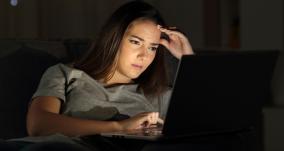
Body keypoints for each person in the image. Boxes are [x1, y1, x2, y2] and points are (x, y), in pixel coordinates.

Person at [5, 1, 194, 151]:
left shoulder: (159, 95)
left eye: (152, 47)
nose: (144, 56)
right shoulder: (64, 74)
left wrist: (188, 59)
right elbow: (39, 125)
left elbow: (213, 120)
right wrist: (120, 128)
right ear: (114, 39)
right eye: (136, 42)